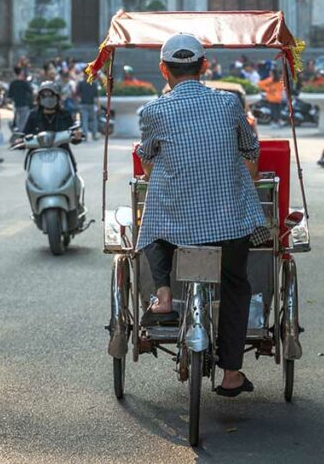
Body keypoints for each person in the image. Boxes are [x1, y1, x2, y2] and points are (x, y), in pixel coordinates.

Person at [137, 33, 264, 398]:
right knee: (235, 285)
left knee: (154, 215)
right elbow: (250, 148)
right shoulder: (228, 104)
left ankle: (163, 295)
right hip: (228, 225)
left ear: (164, 69)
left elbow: (146, 156)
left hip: (176, 227)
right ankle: (231, 373)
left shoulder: (153, 111)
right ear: (204, 66)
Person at [8, 67, 34, 134]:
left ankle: (17, 130)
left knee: (18, 119)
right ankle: (20, 133)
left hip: (16, 104)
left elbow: (10, 95)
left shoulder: (13, 83)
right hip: (24, 104)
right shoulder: (24, 83)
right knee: (23, 120)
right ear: (21, 73)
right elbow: (31, 91)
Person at [76, 73, 100, 140]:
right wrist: (98, 106)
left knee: (84, 120)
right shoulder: (94, 84)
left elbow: (77, 94)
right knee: (93, 120)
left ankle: (85, 136)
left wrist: (78, 103)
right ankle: (94, 135)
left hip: (83, 104)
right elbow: (96, 97)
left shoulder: (81, 83)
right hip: (91, 104)